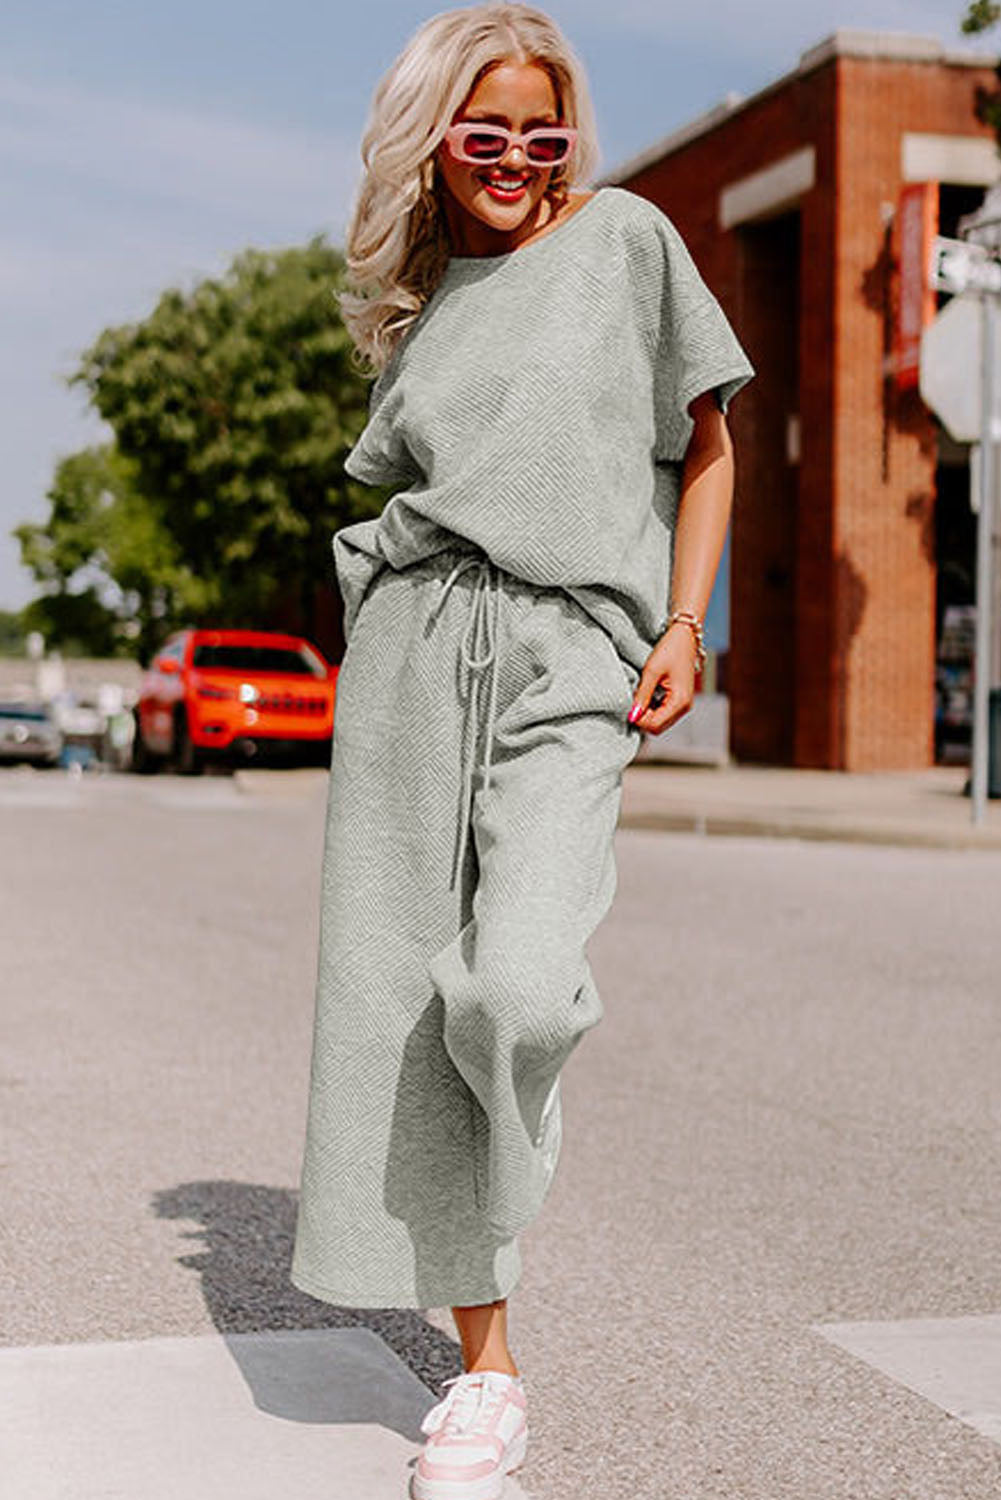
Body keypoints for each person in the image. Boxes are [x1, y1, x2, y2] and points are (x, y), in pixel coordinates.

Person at [290, 5, 755, 1496]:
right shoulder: (426, 305)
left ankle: (500, 1171)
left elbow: (708, 444)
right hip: (415, 657)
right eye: (480, 133)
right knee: (396, 1005)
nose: (511, 159)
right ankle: (487, 1370)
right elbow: (404, 488)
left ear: (569, 140)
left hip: (575, 654)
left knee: (511, 987)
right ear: (434, 143)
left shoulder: (626, 241)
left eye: (539, 134)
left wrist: (682, 625)